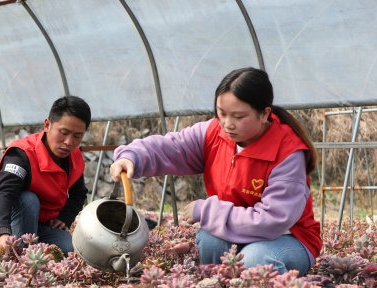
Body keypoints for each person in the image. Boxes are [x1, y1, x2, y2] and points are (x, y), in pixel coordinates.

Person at [110, 67, 321, 276]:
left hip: (287, 237)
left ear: (264, 114)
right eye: (221, 113)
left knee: (255, 261)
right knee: (211, 241)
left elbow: (271, 221)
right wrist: (132, 156)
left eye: (238, 116)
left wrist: (206, 211)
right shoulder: (214, 132)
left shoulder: (288, 153)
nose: (228, 124)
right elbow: (173, 146)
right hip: (237, 232)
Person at [0, 95, 91, 254]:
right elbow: (4, 194)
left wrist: (64, 218)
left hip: (38, 227)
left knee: (70, 250)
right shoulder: (22, 154)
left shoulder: (73, 158)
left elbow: (79, 194)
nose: (69, 142)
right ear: (47, 125)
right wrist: (1, 234)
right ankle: (19, 261)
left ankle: (27, 255)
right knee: (27, 200)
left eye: (77, 136)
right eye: (63, 132)